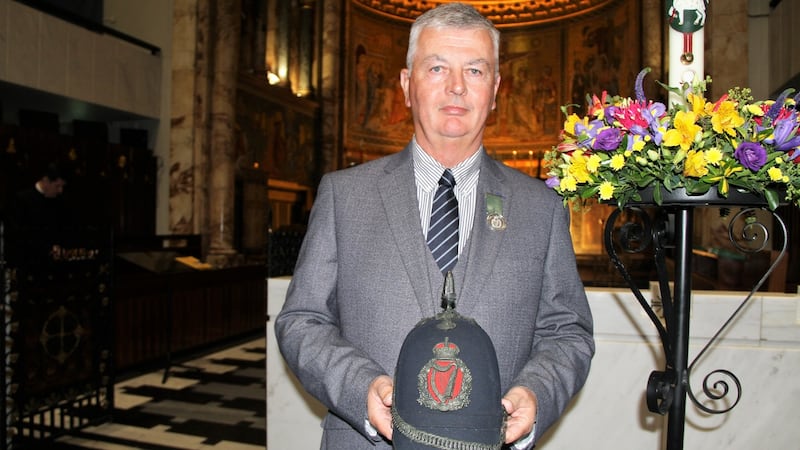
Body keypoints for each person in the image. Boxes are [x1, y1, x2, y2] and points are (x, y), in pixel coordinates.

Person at [274, 3, 594, 449]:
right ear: (407, 85)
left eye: (476, 71)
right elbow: (302, 320)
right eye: (438, 67)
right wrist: (360, 388)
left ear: (496, 88)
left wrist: (536, 394)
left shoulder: (541, 207)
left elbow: (568, 331)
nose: (457, 87)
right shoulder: (345, 196)